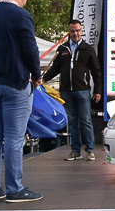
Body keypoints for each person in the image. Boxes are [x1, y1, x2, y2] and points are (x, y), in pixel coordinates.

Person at [0, 0, 43, 203]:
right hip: (14, 83)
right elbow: (30, 49)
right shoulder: (21, 15)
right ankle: (14, 189)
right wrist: (36, 75)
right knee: (14, 138)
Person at [42, 19, 102, 162]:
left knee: (86, 120)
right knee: (72, 122)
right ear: (68, 32)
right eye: (72, 31)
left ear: (81, 31)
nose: (75, 34)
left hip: (82, 90)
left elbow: (96, 71)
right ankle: (75, 151)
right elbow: (55, 68)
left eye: (77, 31)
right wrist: (43, 79)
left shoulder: (88, 49)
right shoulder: (62, 49)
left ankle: (89, 150)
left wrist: (98, 90)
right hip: (66, 91)